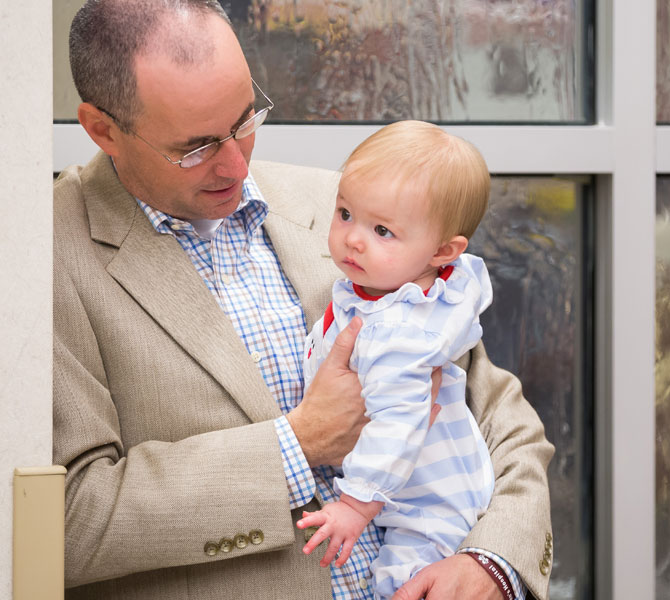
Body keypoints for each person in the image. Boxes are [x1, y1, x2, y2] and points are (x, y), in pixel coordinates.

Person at [53, 1, 555, 599]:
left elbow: (500, 417)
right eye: (196, 147)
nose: (237, 163)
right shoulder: (40, 257)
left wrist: (493, 564)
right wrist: (297, 445)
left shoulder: (351, 210)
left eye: (244, 120)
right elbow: (67, 520)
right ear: (102, 128)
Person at [296, 120, 498, 599]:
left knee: (404, 585)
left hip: (427, 503)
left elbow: (400, 421)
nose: (353, 239)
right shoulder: (407, 287)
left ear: (442, 251)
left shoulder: (397, 333)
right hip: (423, 484)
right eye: (345, 213)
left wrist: (355, 505)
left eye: (382, 230)